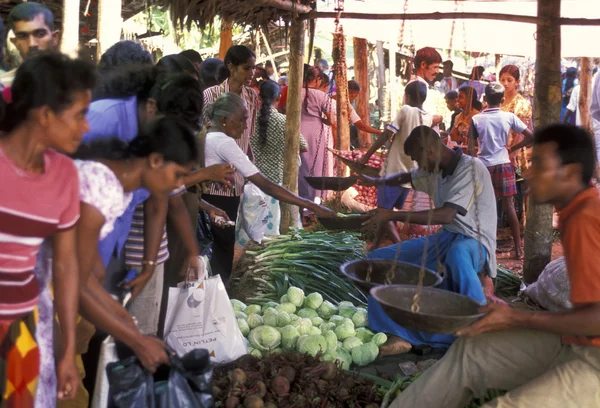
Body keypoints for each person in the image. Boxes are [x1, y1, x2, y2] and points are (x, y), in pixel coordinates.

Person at [391, 124, 600, 408]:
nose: (528, 173)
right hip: (575, 341)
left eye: (538, 164)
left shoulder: (587, 218)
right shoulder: (575, 213)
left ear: (571, 173)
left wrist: (516, 318)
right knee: (472, 352)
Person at [40, 117, 197, 406]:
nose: (177, 186)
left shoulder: (117, 187)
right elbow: (75, 283)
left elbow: (83, 276)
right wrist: (136, 341)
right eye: (177, 175)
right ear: (155, 160)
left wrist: (120, 316)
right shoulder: (103, 189)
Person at [0, 52, 95, 407]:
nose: (86, 127)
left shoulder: (65, 176)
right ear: (44, 115)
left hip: (22, 328)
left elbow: (66, 266)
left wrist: (67, 350)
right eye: (79, 115)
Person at [360, 126, 498, 353]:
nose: (417, 165)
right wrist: (374, 180)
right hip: (446, 238)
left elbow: (446, 214)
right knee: (377, 261)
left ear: (429, 151)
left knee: (458, 255)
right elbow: (406, 177)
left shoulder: (471, 168)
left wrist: (392, 215)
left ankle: (479, 326)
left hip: (475, 241)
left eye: (416, 158)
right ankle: (397, 334)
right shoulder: (432, 170)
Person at [206, 93, 335, 261]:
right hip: (213, 204)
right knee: (219, 260)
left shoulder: (207, 134)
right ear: (224, 119)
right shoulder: (224, 143)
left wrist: (206, 205)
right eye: (242, 120)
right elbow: (268, 186)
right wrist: (312, 206)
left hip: (207, 205)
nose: (245, 127)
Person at [202, 45, 260, 279]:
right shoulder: (211, 95)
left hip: (236, 180)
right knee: (208, 237)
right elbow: (203, 134)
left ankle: (222, 287)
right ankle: (206, 286)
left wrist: (250, 172)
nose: (252, 73)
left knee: (227, 239)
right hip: (210, 179)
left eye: (253, 68)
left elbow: (248, 138)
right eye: (247, 68)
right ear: (231, 67)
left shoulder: (252, 97)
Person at [360, 81, 432, 243]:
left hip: (393, 171)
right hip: (409, 174)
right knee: (387, 212)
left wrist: (366, 156)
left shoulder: (405, 110)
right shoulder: (427, 117)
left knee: (384, 213)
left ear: (407, 96)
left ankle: (400, 246)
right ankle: (376, 246)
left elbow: (386, 135)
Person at [468, 82, 534, 260]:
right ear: (503, 99)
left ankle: (481, 248)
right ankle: (519, 249)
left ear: (484, 100)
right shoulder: (509, 117)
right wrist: (513, 148)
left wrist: (473, 164)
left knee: (480, 208)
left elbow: (471, 148)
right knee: (509, 206)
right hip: (504, 164)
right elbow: (531, 136)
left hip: (483, 166)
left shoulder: (476, 119)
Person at [242, 80, 308, 246]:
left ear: (258, 97)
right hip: (274, 182)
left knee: (249, 225)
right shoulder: (284, 121)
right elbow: (304, 146)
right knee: (271, 231)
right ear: (278, 98)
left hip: (250, 180)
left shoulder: (247, 120)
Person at [298, 65, 336, 204]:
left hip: (297, 131)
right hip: (315, 133)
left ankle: (299, 203)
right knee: (315, 168)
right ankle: (313, 204)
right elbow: (331, 121)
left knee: (299, 167)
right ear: (317, 80)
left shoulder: (294, 93)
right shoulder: (321, 96)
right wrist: (320, 118)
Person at [0, 2, 58, 88]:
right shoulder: (3, 86)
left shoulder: (77, 82)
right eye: (23, 36)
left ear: (54, 38)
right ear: (15, 42)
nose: (32, 44)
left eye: (40, 34)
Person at [499, 64, 533, 171]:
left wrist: (511, 152)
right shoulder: (498, 100)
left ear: (517, 82)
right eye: (502, 80)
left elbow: (520, 135)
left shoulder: (521, 103)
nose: (505, 83)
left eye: (509, 80)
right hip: (498, 151)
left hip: (514, 152)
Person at [410, 47, 444, 130]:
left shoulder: (422, 85)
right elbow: (415, 123)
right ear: (423, 65)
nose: (438, 71)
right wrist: (436, 119)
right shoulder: (415, 87)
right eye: (435, 67)